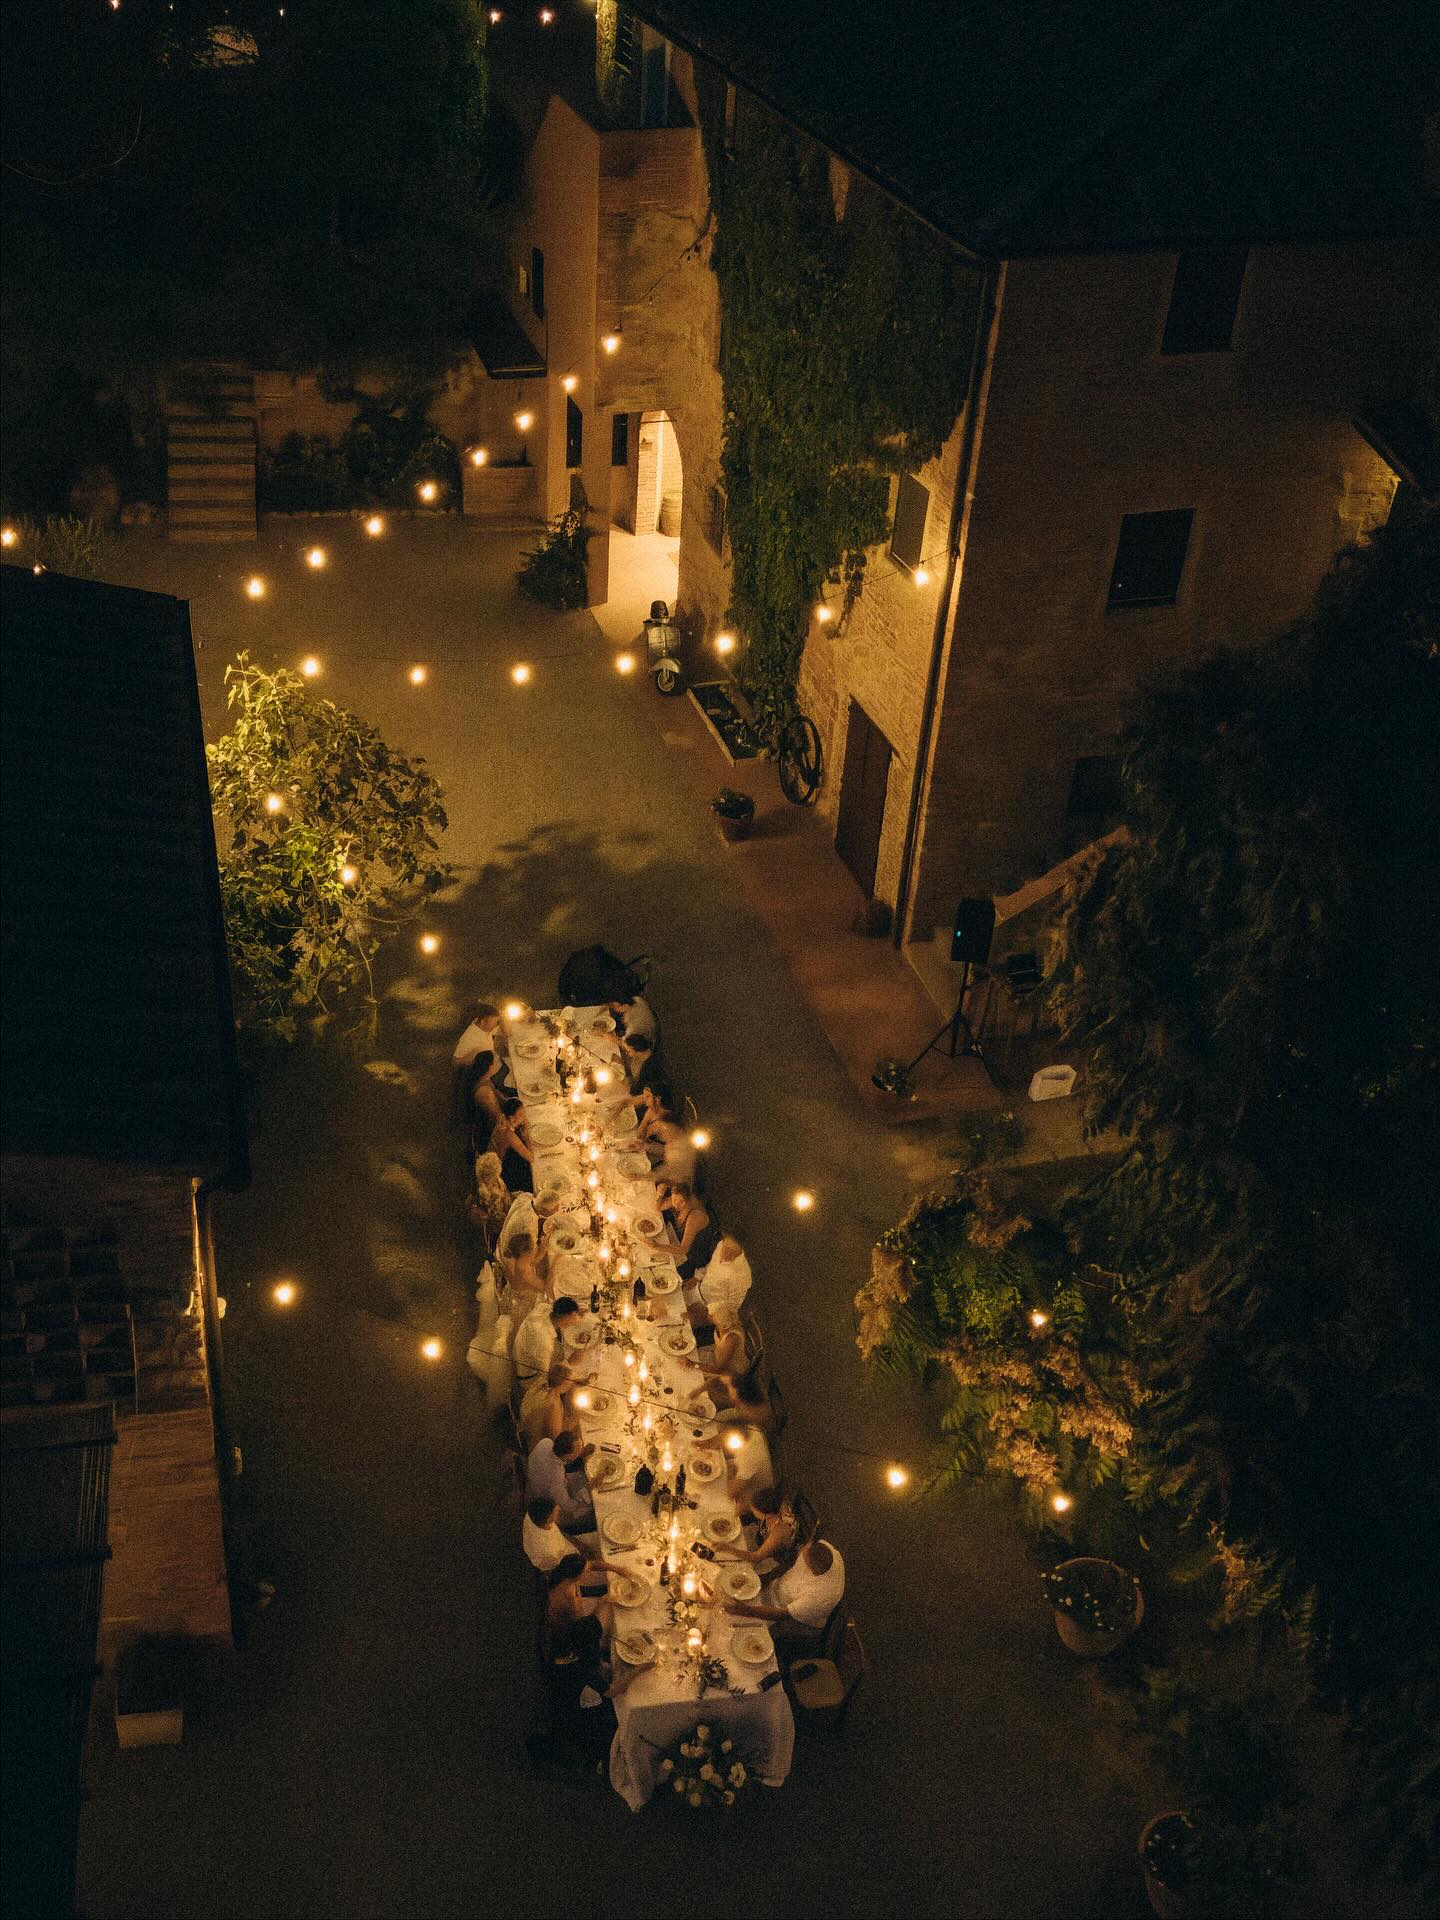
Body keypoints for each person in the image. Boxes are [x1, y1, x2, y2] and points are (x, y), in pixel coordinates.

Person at [543, 1555, 617, 1763]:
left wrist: (618, 1571)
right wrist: (604, 1600)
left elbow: (590, 1566)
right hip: (572, 1648)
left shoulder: (567, 1579)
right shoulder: (567, 1600)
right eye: (585, 1572)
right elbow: (585, 1628)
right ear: (576, 1575)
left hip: (573, 1642)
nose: (589, 1572)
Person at [725, 1533, 845, 1649]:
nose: (802, 1552)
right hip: (779, 1589)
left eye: (806, 1563)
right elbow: (792, 1561)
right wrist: (768, 1577)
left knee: (745, 1635)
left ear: (813, 1571)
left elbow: (781, 1615)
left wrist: (746, 1611)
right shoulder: (823, 1547)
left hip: (796, 1620)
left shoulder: (818, 1596)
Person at [711, 1484, 800, 1569]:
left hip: (772, 1558)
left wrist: (728, 1549)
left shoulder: (779, 1531)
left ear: (768, 1516)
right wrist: (739, 1510)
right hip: (762, 1536)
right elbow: (750, 1507)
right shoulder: (776, 1506)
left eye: (754, 1512)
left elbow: (756, 1557)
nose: (752, 1511)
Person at [526, 1428, 596, 1531]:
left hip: (538, 1478)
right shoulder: (555, 1480)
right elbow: (569, 1506)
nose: (581, 1450)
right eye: (579, 1450)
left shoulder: (546, 1442)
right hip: (546, 1507)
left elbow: (562, 1464)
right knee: (595, 1507)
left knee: (581, 1476)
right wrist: (590, 1488)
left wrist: (580, 1454)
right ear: (568, 1456)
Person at [513, 1296, 584, 1389]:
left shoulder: (544, 1308)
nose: (576, 1318)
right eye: (573, 1315)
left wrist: (576, 1316)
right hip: (532, 1379)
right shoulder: (543, 1341)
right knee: (577, 1377)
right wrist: (569, 1362)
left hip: (532, 1353)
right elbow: (547, 1376)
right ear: (565, 1316)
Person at [688, 1234, 751, 1325]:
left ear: (741, 1249)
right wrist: (696, 1278)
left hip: (710, 1312)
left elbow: (733, 1305)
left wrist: (708, 1310)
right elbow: (710, 1267)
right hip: (698, 1290)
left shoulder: (742, 1274)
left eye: (732, 1251)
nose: (725, 1253)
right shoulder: (721, 1245)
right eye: (726, 1246)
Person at [519, 1361, 584, 1449]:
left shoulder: (545, 1383)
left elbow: (562, 1373)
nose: (571, 1384)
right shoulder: (553, 1406)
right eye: (570, 1382)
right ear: (563, 1384)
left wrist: (582, 1382)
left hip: (527, 1427)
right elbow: (556, 1438)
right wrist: (572, 1422)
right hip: (540, 1444)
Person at [663, 1182, 720, 1281]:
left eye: (681, 1201)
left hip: (692, 1258)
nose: (677, 1204)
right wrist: (660, 1193)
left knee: (663, 1273)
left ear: (689, 1200)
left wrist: (655, 1246)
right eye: (674, 1199)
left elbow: (683, 1250)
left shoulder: (694, 1216)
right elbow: (658, 1207)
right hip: (677, 1241)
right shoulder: (677, 1199)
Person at [522, 1495, 584, 1573]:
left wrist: (576, 1542)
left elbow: (559, 1534)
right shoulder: (549, 1550)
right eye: (556, 1511)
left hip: (568, 1545)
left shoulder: (531, 1514)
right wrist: (584, 1556)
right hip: (569, 1566)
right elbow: (566, 1568)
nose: (559, 1509)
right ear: (548, 1519)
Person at [467, 1151, 510, 1254]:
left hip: (505, 1209)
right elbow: (499, 1219)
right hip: (500, 1226)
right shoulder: (488, 1195)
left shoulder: (493, 1181)